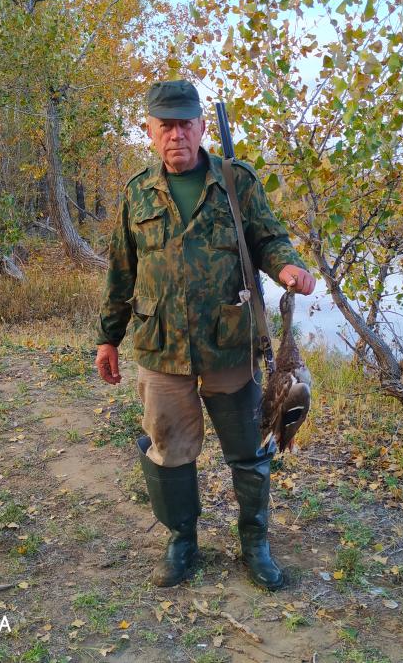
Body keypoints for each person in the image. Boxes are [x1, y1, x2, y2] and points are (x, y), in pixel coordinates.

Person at [95, 79, 315, 590]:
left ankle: (255, 542)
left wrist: (288, 268)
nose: (176, 134)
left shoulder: (236, 181)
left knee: (249, 449)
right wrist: (108, 338)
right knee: (169, 450)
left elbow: (269, 239)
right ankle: (182, 541)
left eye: (185, 124)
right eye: (165, 125)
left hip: (228, 345)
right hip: (160, 347)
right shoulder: (136, 192)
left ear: (200, 126)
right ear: (149, 131)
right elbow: (120, 273)